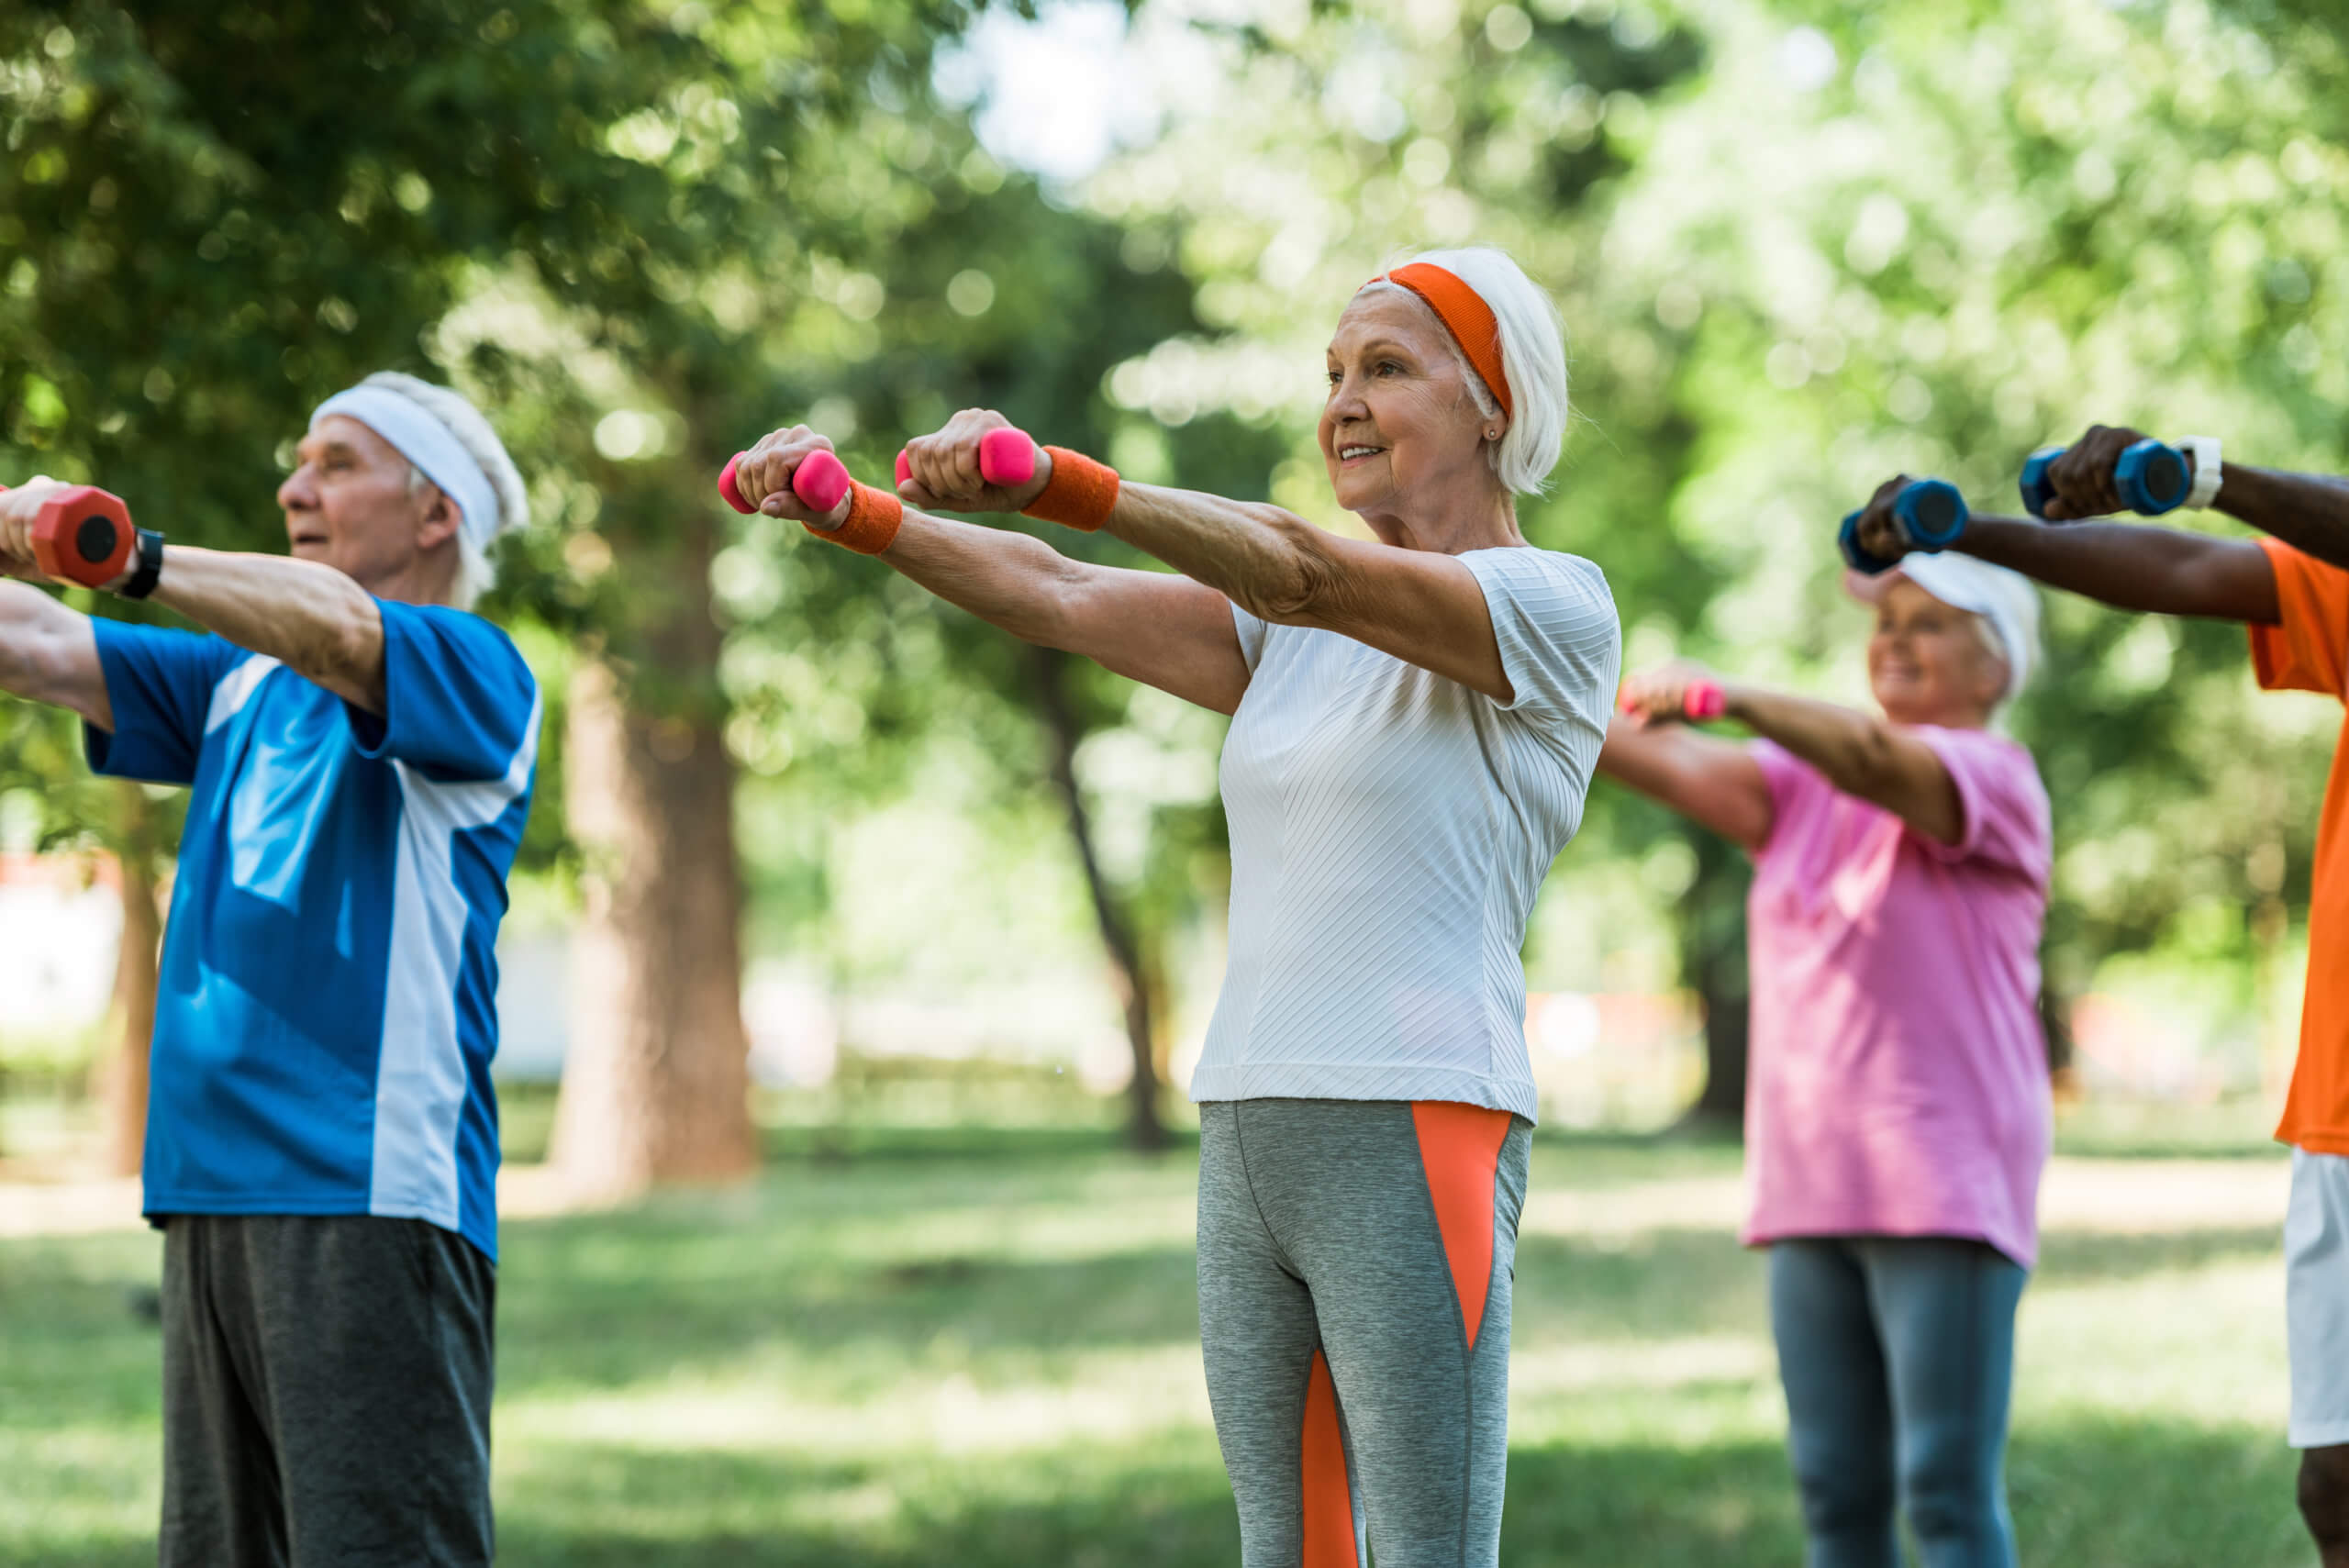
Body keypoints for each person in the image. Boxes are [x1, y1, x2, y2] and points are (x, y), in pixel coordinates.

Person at [732, 247, 1620, 1565]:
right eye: (1331, 375)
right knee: (1289, 1549)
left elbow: (1300, 569)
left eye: (1387, 367)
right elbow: (1063, 594)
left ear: (1496, 404)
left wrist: (1059, 478)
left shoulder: (1550, 607)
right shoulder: (1287, 633)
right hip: (1249, 1121)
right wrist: (854, 511)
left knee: (1426, 1551)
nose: (1344, 403)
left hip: (1417, 1112)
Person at [0, 372, 539, 1567]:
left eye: (339, 463)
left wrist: (124, 553)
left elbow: (339, 627)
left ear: (435, 512)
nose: (296, 485)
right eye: (302, 461)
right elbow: (28, 638)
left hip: (365, 1193)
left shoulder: (478, 668)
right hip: (207, 1189)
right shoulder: (236, 682)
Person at [1850, 428, 2349, 1566]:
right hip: (2343, 1111)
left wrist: (2214, 476)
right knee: (2336, 1484)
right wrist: (1962, 534)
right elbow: (2181, 576)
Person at [1598, 552, 2052, 1568]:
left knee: (1942, 1489)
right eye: (1885, 618)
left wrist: (1736, 695)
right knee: (1834, 1492)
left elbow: (1881, 762)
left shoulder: (1992, 778)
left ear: (1995, 670)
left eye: (1928, 623)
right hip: (1812, 1181)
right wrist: (1489, 654)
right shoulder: (1799, 790)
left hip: (1944, 1180)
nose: (1893, 638)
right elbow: (1651, 756)